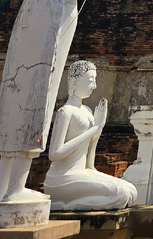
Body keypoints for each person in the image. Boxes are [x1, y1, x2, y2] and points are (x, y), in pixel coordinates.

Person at [0, 0, 97, 208]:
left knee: (14, 93)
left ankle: (2, 187)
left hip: (28, 14)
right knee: (40, 93)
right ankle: (15, 189)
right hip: (57, 11)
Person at [44, 61, 137, 211]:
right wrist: (94, 129)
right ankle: (69, 205)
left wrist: (98, 130)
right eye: (90, 81)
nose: (94, 86)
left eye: (95, 81)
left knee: (131, 191)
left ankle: (67, 204)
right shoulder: (66, 112)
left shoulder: (87, 110)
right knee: (121, 195)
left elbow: (89, 164)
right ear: (75, 82)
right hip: (62, 177)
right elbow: (54, 154)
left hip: (83, 171)